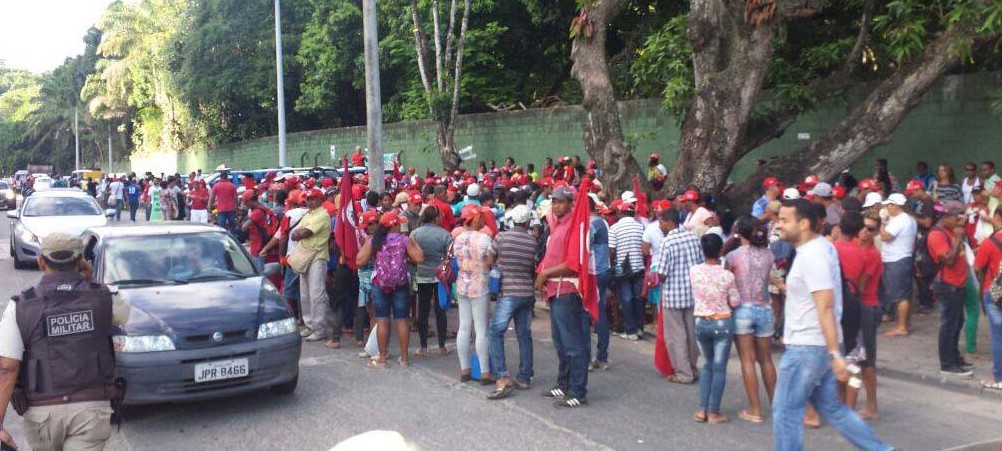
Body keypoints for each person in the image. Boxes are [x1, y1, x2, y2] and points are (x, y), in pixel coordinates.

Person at [771, 199, 891, 451]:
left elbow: (825, 304)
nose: (778, 225)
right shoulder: (816, 250)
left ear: (803, 224)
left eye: (784, 220)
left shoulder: (813, 255)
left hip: (808, 347)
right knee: (834, 409)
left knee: (785, 413)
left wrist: (836, 353)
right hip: (816, 345)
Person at [0, 233, 131, 451]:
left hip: (42, 414)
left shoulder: (21, 307)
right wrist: (89, 280)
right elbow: (124, 314)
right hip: (91, 411)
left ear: (41, 262)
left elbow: (7, 368)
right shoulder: (104, 296)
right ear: (80, 261)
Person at [535, 186, 591, 407]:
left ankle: (578, 391)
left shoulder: (574, 227)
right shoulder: (556, 225)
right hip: (554, 290)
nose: (557, 205)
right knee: (560, 342)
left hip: (566, 290)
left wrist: (546, 273)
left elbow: (574, 265)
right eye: (554, 201)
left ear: (571, 204)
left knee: (573, 343)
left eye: (561, 202)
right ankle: (563, 384)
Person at [356, 211, 425, 368]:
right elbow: (420, 258)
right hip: (400, 285)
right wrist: (413, 241)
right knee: (402, 321)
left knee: (382, 321)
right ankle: (405, 359)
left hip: (380, 284)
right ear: (394, 224)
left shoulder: (374, 240)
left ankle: (381, 359)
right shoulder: (404, 240)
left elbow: (359, 260)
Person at [726, 216, 777, 424]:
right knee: (766, 360)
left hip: (742, 310)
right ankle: (777, 406)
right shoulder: (768, 254)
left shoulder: (733, 255)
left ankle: (755, 410)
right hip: (764, 308)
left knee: (747, 360)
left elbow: (727, 281)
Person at [487, 205, 538, 399]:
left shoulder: (501, 238)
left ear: (512, 220)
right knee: (524, 335)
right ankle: (525, 376)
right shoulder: (532, 241)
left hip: (508, 291)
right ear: (526, 222)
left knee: (495, 332)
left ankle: (502, 375)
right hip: (527, 292)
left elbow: (490, 261)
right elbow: (532, 265)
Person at [689, 234, 739, 424]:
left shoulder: (694, 271)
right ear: (720, 251)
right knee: (719, 368)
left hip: (701, 321)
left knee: (707, 365)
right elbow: (735, 301)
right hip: (722, 323)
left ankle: (702, 410)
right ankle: (714, 411)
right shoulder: (728, 276)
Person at [654, 207, 705, 384]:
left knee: (676, 336)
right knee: (691, 333)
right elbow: (700, 263)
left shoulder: (667, 243)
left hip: (673, 295)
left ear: (670, 222)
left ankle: (684, 373)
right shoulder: (693, 237)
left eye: (661, 222)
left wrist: (663, 277)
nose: (660, 225)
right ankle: (692, 367)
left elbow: (661, 272)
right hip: (692, 293)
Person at [927, 200, 974, 376]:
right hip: (948, 285)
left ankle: (955, 357)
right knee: (949, 325)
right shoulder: (937, 235)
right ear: (946, 216)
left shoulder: (950, 229)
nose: (960, 220)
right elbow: (948, 260)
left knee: (957, 322)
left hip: (959, 284)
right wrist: (957, 238)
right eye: (957, 217)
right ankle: (947, 364)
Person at [450, 205, 496, 381]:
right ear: (474, 219)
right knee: (481, 330)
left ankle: (465, 370)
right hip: (480, 286)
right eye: (481, 217)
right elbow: (491, 260)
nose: (484, 220)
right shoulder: (484, 239)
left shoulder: (458, 238)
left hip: (462, 284)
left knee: (464, 327)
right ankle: (484, 371)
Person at [291, 189, 334, 344]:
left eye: (313, 199)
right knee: (305, 294)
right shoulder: (308, 214)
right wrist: (298, 233)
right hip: (305, 256)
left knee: (317, 294)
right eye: (308, 199)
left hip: (317, 256)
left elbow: (304, 233)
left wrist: (298, 233)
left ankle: (319, 329)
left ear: (320, 200)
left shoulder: (323, 214)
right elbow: (296, 232)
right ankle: (310, 325)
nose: (310, 202)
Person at [410, 206, 452, 357]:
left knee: (423, 310)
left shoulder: (415, 233)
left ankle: (423, 347)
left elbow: (411, 254)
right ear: (436, 218)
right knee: (440, 310)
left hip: (421, 275)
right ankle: (442, 346)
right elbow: (449, 256)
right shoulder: (445, 234)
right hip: (440, 277)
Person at [854, 212, 884, 418]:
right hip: (860, 307)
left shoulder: (872, 254)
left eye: (871, 228)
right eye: (863, 226)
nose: (865, 231)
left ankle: (871, 405)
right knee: (855, 358)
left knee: (866, 360)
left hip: (866, 307)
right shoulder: (855, 247)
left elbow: (860, 285)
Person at [879, 193, 917, 336]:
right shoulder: (908, 219)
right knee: (904, 292)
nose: (887, 208)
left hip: (897, 259)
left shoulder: (900, 220)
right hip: (902, 257)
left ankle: (902, 326)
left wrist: (883, 222)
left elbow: (885, 236)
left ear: (895, 206)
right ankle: (905, 323)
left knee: (901, 294)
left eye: (889, 205)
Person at [974, 206, 1002, 390]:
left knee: (998, 337)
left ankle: (999, 378)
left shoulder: (990, 242)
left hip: (994, 294)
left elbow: (977, 267)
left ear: (997, 217)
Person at [609, 201, 646, 340]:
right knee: (637, 298)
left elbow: (612, 251)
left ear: (620, 213)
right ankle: (640, 328)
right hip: (638, 266)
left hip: (621, 267)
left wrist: (612, 267)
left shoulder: (615, 228)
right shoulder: (640, 227)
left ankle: (630, 331)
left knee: (626, 299)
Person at [588, 195, 613, 370]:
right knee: (601, 312)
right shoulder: (603, 222)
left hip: (593, 271)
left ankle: (588, 359)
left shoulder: (590, 224)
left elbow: (585, 245)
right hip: (605, 269)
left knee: (586, 313)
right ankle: (602, 357)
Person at [906, 179, 938, 314]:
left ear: (919, 190)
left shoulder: (928, 203)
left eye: (912, 192)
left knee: (922, 270)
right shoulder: (921, 202)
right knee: (919, 270)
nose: (911, 195)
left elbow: (927, 223)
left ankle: (928, 303)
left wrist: (912, 217)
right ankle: (925, 300)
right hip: (921, 239)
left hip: (926, 240)